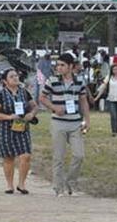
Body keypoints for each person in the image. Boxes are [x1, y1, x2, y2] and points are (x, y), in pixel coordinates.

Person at [39, 53, 91, 196]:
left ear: (71, 67)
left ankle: (71, 182)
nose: (59, 68)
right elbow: (42, 97)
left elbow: (83, 101)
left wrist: (87, 120)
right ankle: (58, 187)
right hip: (58, 122)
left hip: (75, 122)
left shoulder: (79, 80)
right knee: (58, 157)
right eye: (58, 65)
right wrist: (54, 108)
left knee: (79, 155)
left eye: (62, 65)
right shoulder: (52, 80)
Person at [0, 68, 38, 194]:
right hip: (6, 128)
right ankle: (9, 185)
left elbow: (34, 106)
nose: (15, 78)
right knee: (9, 157)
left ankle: (21, 184)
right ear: (5, 81)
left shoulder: (24, 92)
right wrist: (9, 117)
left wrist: (31, 114)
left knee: (25, 155)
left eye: (16, 75)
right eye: (11, 76)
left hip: (22, 127)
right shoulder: (1, 94)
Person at [95, 64, 117, 136]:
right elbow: (103, 87)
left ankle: (116, 131)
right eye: (114, 69)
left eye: (116, 69)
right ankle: (114, 132)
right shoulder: (109, 77)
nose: (115, 71)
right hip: (111, 99)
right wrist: (97, 97)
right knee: (113, 115)